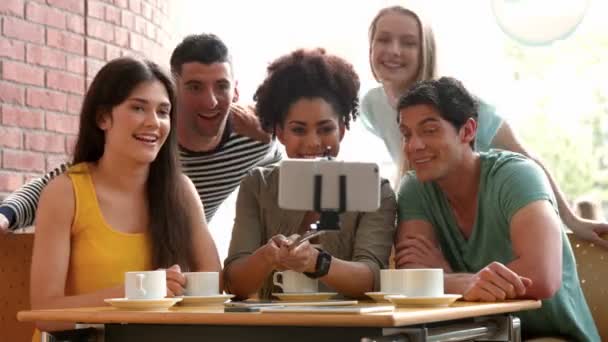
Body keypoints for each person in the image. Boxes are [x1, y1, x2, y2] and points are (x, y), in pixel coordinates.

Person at [360, 5, 608, 248]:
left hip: (491, 226)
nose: (393, 50)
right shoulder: (372, 104)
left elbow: (526, 159)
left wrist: (571, 220)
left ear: (426, 50)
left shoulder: (461, 106)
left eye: (408, 43)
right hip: (435, 224)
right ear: (371, 45)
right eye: (383, 39)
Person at [0, 33, 281, 232]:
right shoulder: (150, 139)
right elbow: (61, 182)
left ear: (236, 91)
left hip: (179, 260)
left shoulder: (255, 139)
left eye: (221, 86)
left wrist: (273, 134)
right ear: (173, 89)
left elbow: (293, 159)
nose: (211, 101)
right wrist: (6, 215)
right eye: (195, 87)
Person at [394, 77, 599, 341]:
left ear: (467, 131)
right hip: (477, 334)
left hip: (554, 335)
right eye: (406, 134)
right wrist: (467, 284)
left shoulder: (517, 175)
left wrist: (446, 279)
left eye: (429, 130)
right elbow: (411, 278)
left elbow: (541, 276)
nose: (413, 146)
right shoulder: (415, 188)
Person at [30, 57, 221, 336]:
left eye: (163, 112)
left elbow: (213, 283)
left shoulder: (181, 191)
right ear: (102, 118)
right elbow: (45, 312)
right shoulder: (65, 193)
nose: (153, 122)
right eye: (138, 108)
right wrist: (134, 296)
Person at [224, 48, 396, 299]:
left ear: (342, 129)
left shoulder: (374, 189)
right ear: (280, 132)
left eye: (326, 128)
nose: (314, 142)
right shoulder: (257, 185)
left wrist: (318, 263)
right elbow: (235, 284)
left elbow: (373, 279)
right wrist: (267, 257)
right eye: (299, 130)